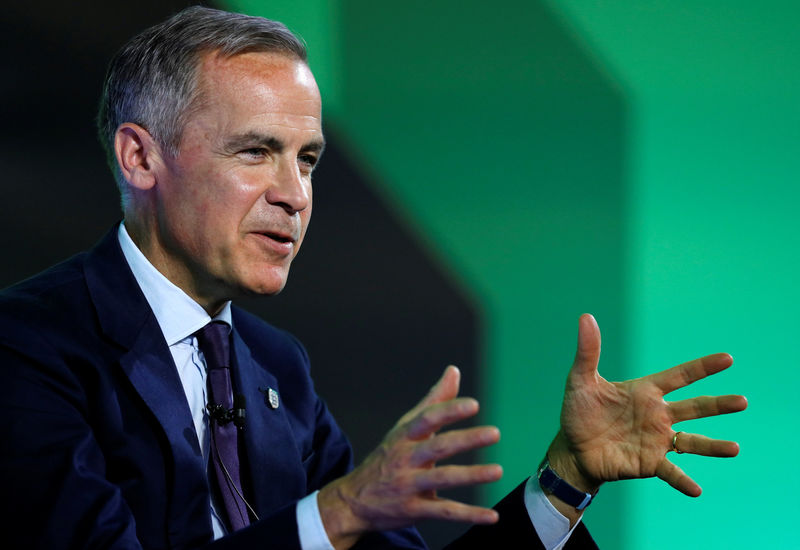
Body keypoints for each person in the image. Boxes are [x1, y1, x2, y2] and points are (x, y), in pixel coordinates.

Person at [0, 6, 747, 550]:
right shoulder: (29, 347)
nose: (294, 194)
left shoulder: (275, 371)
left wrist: (565, 477)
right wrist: (336, 514)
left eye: (309, 159)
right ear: (141, 159)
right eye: (256, 151)